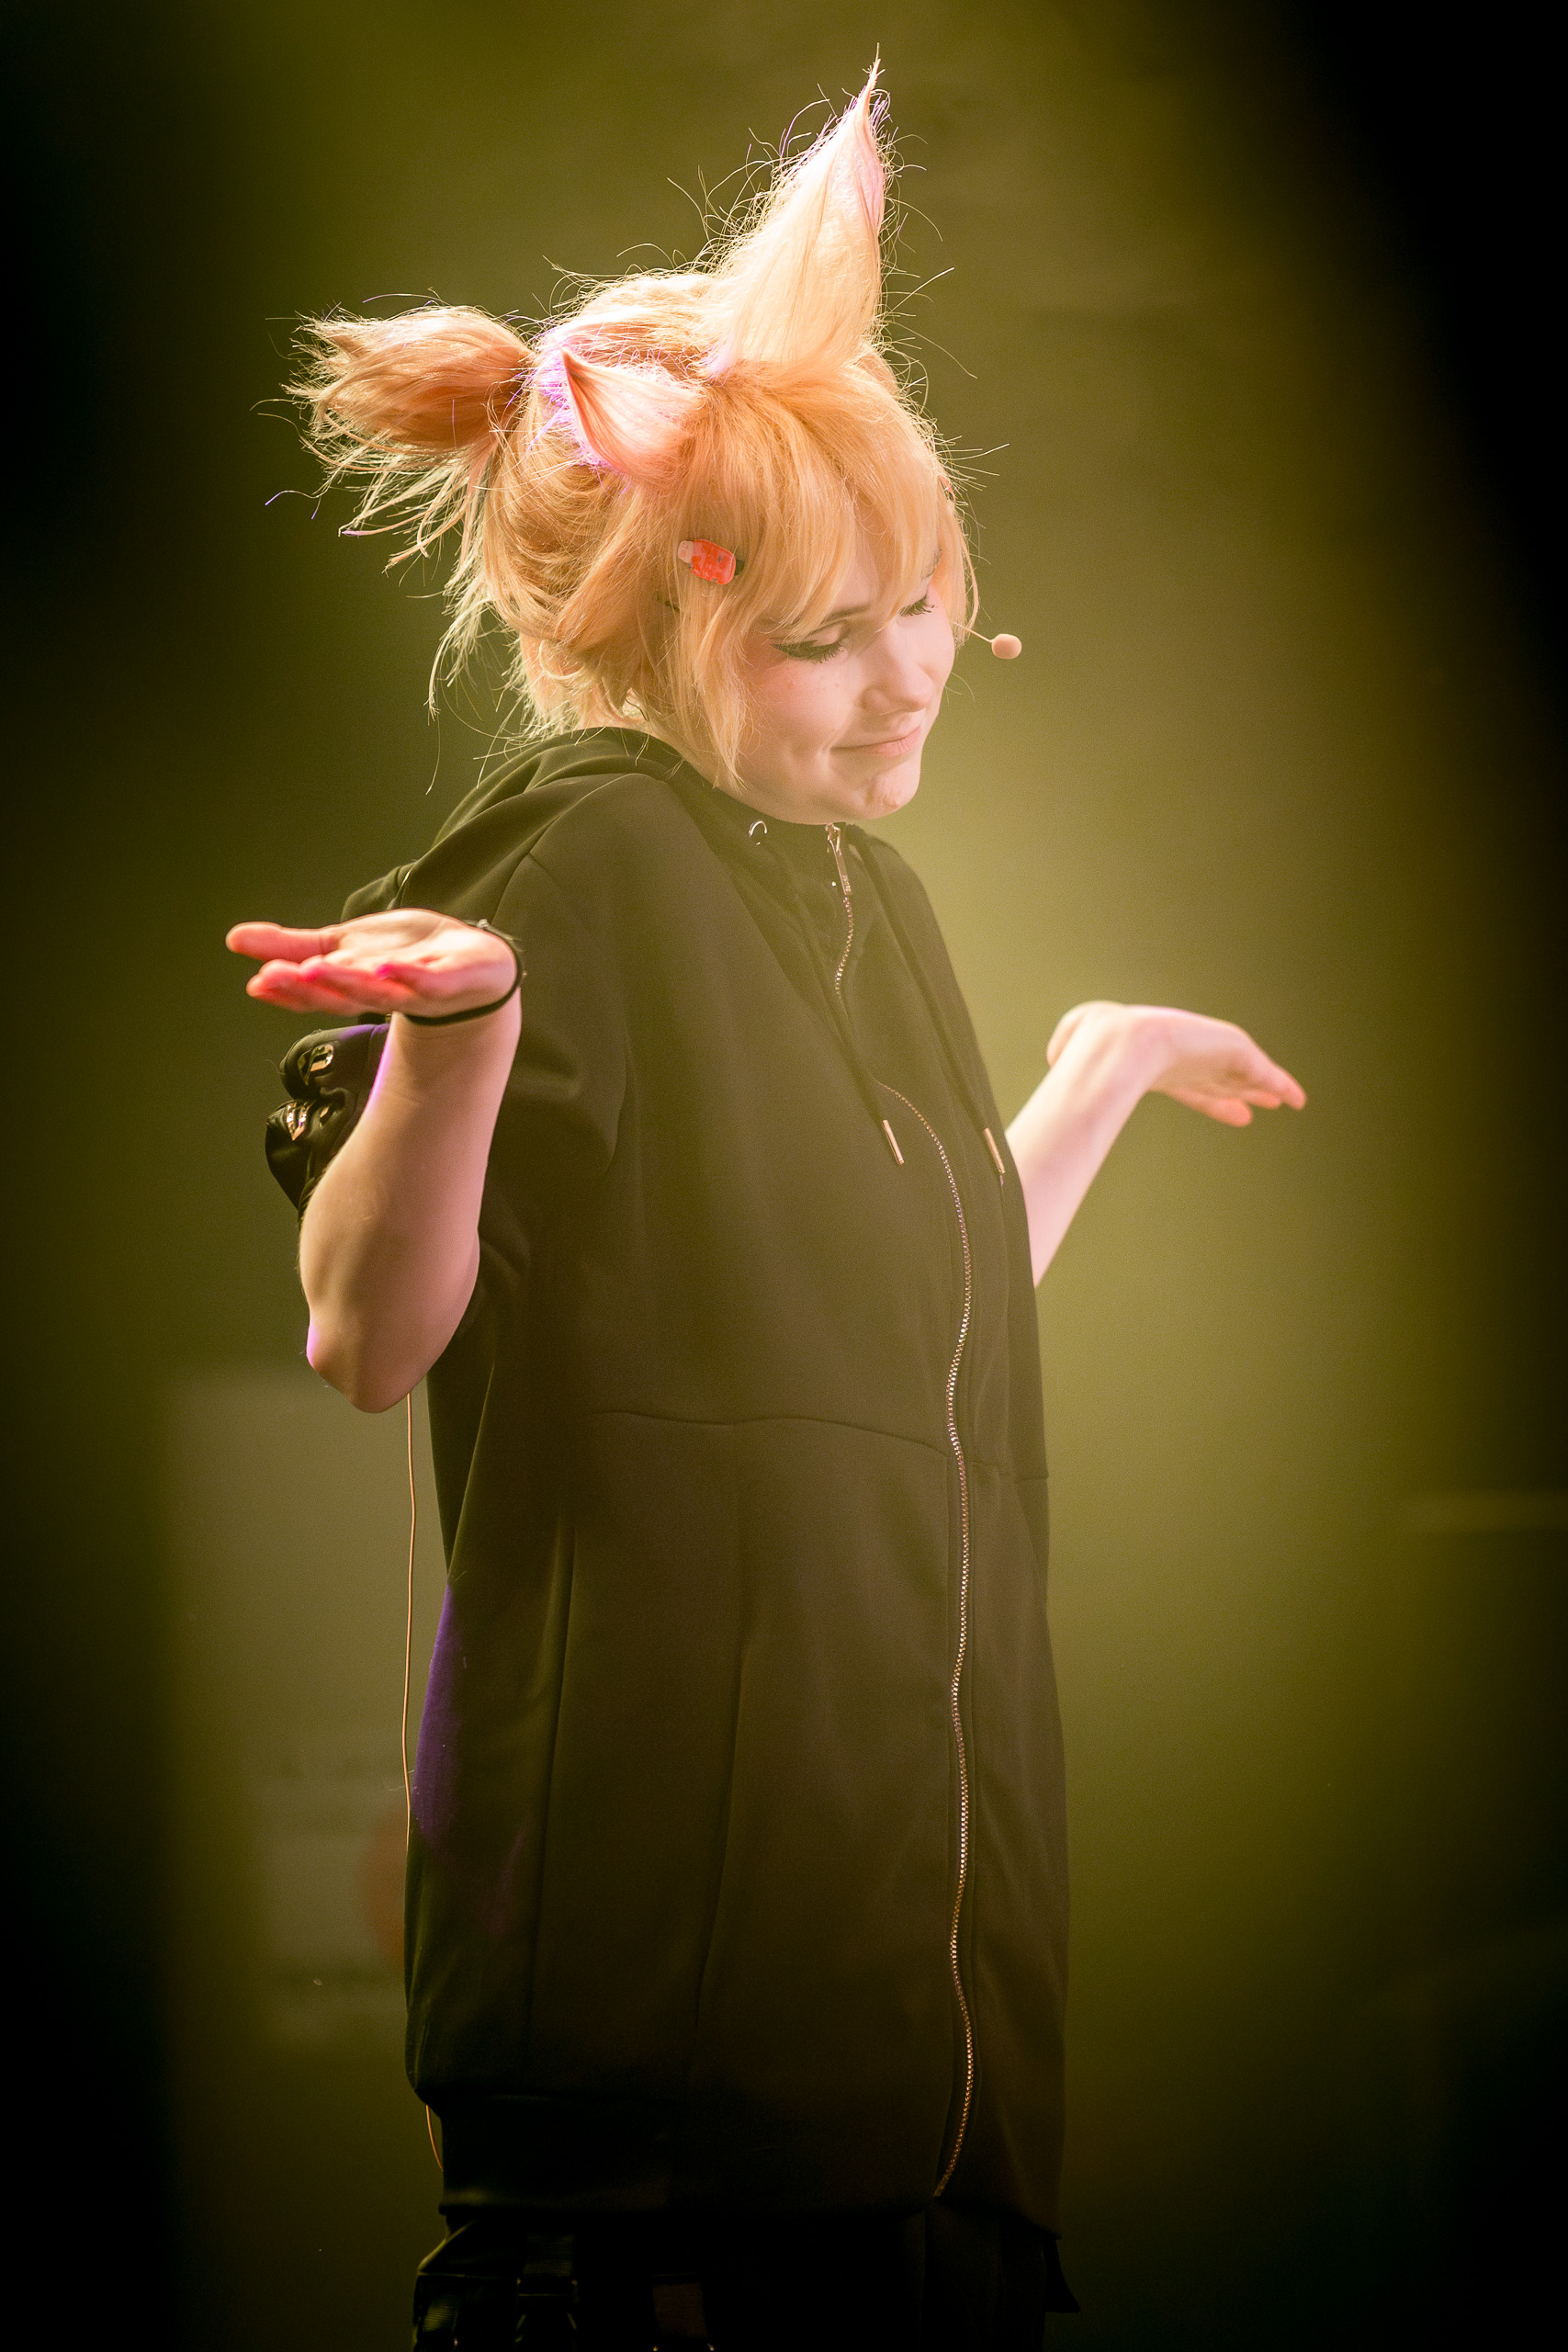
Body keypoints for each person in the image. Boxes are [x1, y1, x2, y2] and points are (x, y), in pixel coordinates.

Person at [229, 67, 1303, 2352]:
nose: (904, 673)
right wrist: (457, 1041)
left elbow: (911, 1315)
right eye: (825, 634)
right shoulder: (585, 851)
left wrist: (1089, 1072)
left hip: (928, 2110)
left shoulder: (862, 899)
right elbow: (365, 1332)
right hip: (665, 2158)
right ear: (654, 628)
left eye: (920, 604)